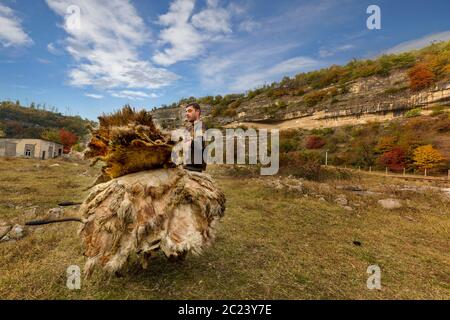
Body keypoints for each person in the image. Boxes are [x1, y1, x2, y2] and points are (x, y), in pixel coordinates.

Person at [183, 103, 207, 172]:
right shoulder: (192, 127)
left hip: (194, 168)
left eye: (190, 111)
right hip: (188, 166)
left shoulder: (200, 125)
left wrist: (186, 142)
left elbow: (199, 144)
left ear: (197, 112)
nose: (187, 113)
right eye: (186, 111)